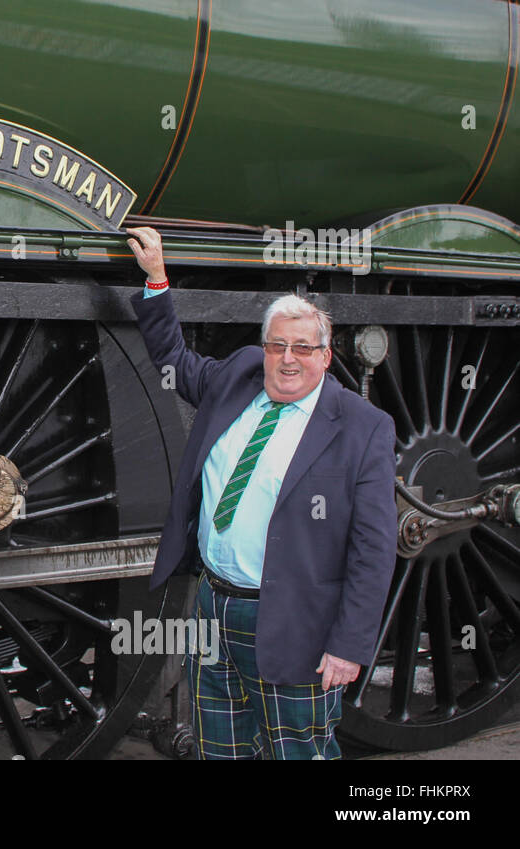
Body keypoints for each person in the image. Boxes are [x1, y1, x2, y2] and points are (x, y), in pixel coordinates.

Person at [125, 226, 396, 759]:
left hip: (297, 623)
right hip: (215, 607)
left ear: (326, 355)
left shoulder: (363, 428)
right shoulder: (240, 375)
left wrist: (348, 645)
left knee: (299, 749)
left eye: (303, 348)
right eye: (277, 346)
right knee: (220, 748)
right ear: (264, 347)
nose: (287, 359)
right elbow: (174, 362)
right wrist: (157, 278)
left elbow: (374, 549)